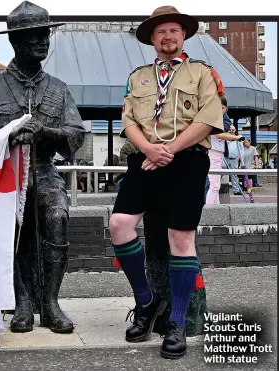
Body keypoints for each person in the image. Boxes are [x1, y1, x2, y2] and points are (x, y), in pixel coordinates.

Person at [108, 6, 223, 359]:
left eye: (173, 31)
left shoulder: (202, 73)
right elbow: (128, 120)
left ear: (183, 35)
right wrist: (149, 151)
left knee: (180, 238)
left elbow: (208, 118)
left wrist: (168, 150)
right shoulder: (138, 76)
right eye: (160, 33)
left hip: (186, 159)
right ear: (152, 39)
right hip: (143, 159)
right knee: (119, 225)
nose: (167, 37)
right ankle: (146, 301)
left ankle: (175, 322)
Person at [0, 1, 85, 334]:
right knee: (11, 224)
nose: (42, 43)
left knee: (57, 217)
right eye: (35, 36)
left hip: (45, 172)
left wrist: (46, 133)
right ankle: (22, 302)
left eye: (45, 35)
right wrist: (11, 135)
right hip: (7, 177)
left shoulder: (59, 88)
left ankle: (51, 302)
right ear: (16, 42)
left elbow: (75, 134)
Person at [205, 96, 244, 204]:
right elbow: (219, 135)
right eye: (219, 107)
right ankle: (210, 210)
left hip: (217, 152)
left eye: (223, 108)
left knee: (215, 185)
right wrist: (235, 137)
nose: (221, 110)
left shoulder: (218, 119)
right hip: (214, 152)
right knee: (214, 185)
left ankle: (215, 208)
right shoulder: (212, 118)